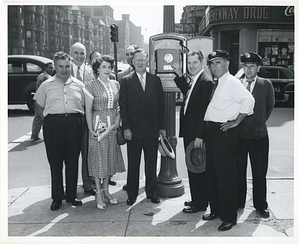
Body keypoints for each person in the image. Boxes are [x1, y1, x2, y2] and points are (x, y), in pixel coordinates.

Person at [203, 50, 255, 231]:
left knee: (225, 176)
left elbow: (249, 100)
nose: (214, 66)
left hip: (223, 134)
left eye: (218, 62)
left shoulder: (232, 82)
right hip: (212, 132)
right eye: (212, 63)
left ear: (227, 63)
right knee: (212, 174)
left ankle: (229, 217)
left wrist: (236, 122)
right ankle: (216, 210)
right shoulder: (218, 83)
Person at [34, 51, 85, 210]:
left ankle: (71, 195)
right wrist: (49, 122)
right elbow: (38, 105)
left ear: (71, 66)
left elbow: (84, 105)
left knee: (72, 161)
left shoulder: (79, 84)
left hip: (74, 124)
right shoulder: (46, 85)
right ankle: (57, 198)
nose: (64, 70)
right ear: (54, 66)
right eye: (60, 66)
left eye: (67, 66)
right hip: (53, 125)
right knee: (55, 162)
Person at [119, 49, 166, 205]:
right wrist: (126, 127)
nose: (140, 62)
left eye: (143, 59)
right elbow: (123, 106)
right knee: (134, 163)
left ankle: (151, 192)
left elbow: (161, 105)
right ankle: (132, 193)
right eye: (137, 59)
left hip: (152, 128)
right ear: (133, 62)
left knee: (151, 162)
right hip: (134, 129)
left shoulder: (155, 80)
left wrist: (162, 127)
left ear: (148, 62)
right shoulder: (125, 80)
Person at [171, 50, 214, 213]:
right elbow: (188, 93)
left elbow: (204, 111)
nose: (191, 66)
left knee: (198, 167)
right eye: (189, 63)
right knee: (193, 166)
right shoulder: (196, 80)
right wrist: (178, 75)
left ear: (202, 63)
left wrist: (199, 136)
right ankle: (197, 199)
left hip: (196, 134)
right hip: (190, 132)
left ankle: (200, 203)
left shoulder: (206, 81)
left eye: (195, 62)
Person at [236, 51, 275, 218]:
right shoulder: (237, 84)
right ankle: (238, 202)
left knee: (259, 172)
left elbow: (269, 106)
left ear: (258, 67)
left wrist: (258, 121)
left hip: (259, 136)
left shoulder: (266, 84)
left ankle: (261, 205)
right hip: (239, 136)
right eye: (245, 66)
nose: (248, 69)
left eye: (252, 66)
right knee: (238, 171)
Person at [84, 55, 125, 210]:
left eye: (109, 67)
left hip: (112, 125)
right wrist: (90, 129)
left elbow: (119, 106)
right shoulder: (91, 86)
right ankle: (98, 193)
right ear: (97, 69)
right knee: (97, 159)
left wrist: (117, 121)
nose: (107, 70)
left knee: (109, 158)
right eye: (104, 67)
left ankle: (106, 191)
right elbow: (88, 110)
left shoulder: (115, 84)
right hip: (98, 125)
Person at [69, 42, 96, 196]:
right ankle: (70, 187)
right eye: (77, 53)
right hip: (71, 117)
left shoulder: (90, 71)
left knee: (87, 153)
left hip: (86, 117)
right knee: (71, 154)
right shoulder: (65, 70)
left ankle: (87, 184)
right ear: (71, 54)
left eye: (82, 53)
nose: (79, 56)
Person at [30, 62, 55, 142]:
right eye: (50, 68)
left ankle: (34, 135)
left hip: (37, 99)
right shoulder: (48, 77)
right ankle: (49, 136)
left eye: (52, 67)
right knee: (46, 119)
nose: (52, 69)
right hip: (43, 100)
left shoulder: (40, 76)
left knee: (37, 118)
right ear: (46, 68)